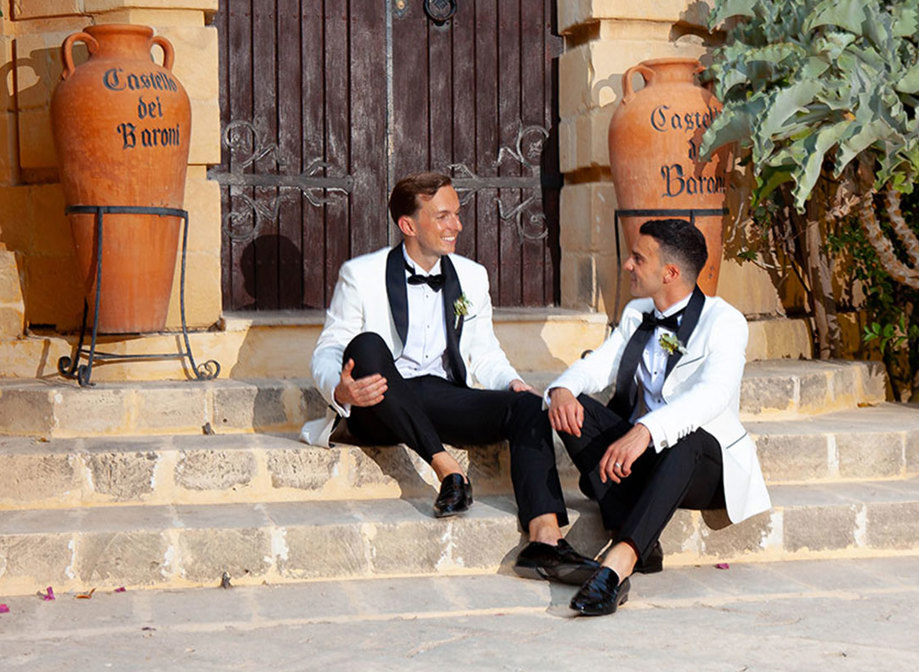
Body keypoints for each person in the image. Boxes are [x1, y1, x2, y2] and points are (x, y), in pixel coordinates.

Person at [302, 172, 599, 583]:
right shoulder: (361, 274)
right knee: (367, 344)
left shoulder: (472, 276)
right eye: (443, 216)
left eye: (456, 215)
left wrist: (511, 382)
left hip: (440, 396)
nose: (456, 226)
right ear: (408, 225)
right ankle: (448, 471)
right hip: (380, 402)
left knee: (529, 404)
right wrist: (339, 388)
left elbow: (484, 350)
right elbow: (330, 347)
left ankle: (544, 541)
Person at [543, 218, 771, 616]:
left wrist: (646, 430)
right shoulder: (637, 313)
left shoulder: (725, 321)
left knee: (688, 438)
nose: (627, 265)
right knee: (575, 410)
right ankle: (632, 532)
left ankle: (620, 563)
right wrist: (562, 389)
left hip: (704, 468)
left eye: (637, 258)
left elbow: (712, 395)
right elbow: (600, 365)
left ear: (670, 272)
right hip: (648, 457)